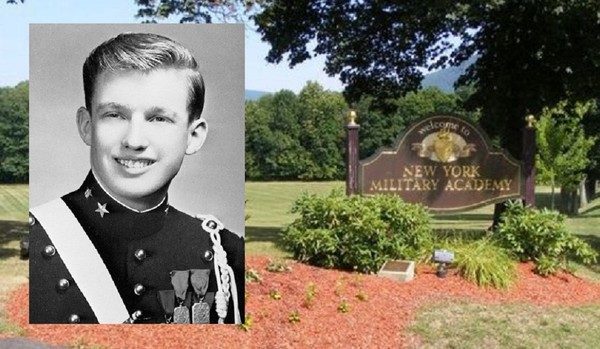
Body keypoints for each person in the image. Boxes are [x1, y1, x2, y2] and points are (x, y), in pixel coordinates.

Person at [29, 32, 244, 324]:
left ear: (193, 137)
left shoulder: (225, 254)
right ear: (87, 126)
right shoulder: (31, 241)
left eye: (159, 118)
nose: (134, 140)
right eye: (115, 115)